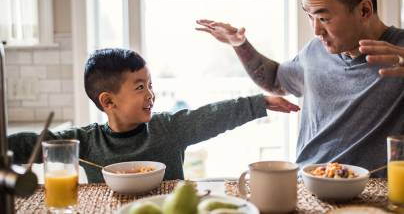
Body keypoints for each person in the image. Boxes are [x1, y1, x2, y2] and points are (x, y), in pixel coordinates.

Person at [196, 0, 404, 176]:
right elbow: (276, 80)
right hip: (306, 186)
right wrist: (240, 46)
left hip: (372, 197)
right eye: (309, 15)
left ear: (364, 10)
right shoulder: (315, 51)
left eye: (324, 18)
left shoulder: (400, 53)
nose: (316, 30)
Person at [8, 48, 299, 183]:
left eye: (150, 85)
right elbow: (37, 143)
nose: (150, 94)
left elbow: (211, 115)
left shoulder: (168, 128)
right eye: (139, 87)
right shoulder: (86, 143)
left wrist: (258, 103)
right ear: (108, 101)